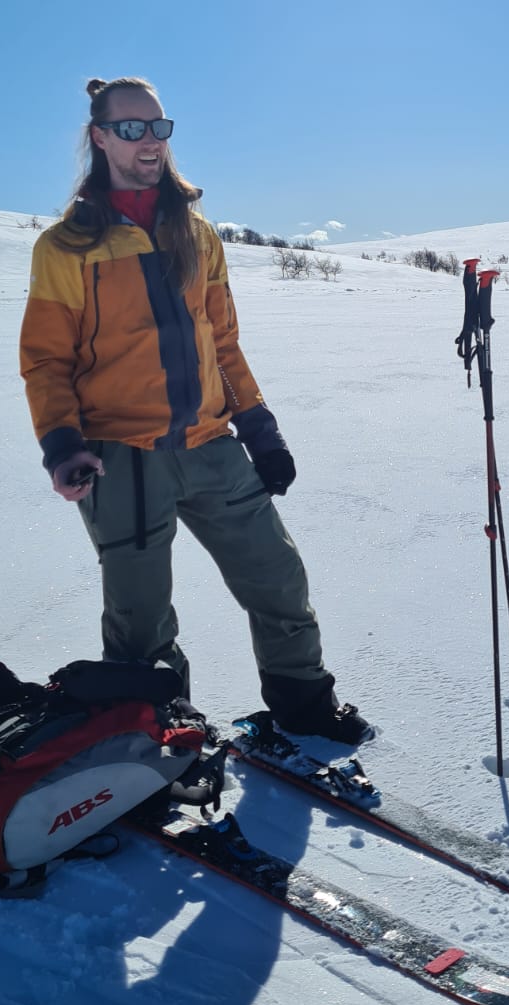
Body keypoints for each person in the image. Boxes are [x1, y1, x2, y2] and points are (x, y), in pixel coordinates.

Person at [19, 75, 370, 744]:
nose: (149, 141)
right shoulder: (67, 247)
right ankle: (154, 737)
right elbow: (46, 359)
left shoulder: (196, 232)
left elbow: (224, 341)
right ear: (99, 137)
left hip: (212, 444)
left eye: (158, 127)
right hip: (122, 456)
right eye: (131, 128)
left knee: (278, 579)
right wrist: (64, 445)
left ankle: (303, 707)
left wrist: (259, 428)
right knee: (141, 622)